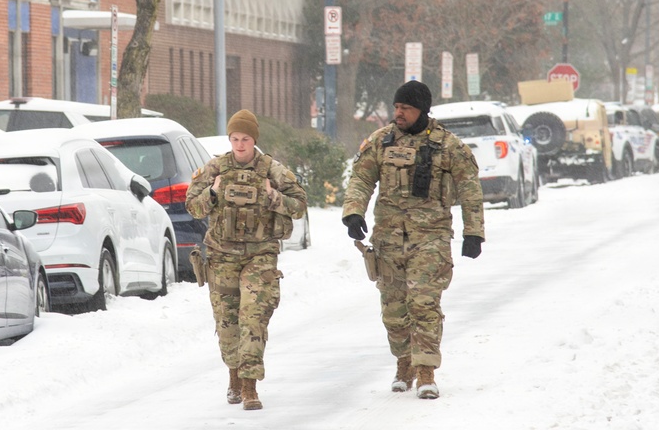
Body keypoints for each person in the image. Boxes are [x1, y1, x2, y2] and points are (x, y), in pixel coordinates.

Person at [342, 80, 484, 399]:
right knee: (394, 311)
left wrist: (473, 232)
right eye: (396, 107)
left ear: (422, 110)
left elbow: (470, 189)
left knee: (423, 303)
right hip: (388, 239)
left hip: (431, 238)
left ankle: (426, 372)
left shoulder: (448, 145)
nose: (399, 113)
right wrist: (353, 213)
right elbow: (361, 178)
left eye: (405, 108)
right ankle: (404, 362)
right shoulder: (381, 141)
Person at [185, 109, 308, 411]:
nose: (240, 145)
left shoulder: (272, 170)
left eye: (246, 139)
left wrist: (273, 196)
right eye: (235, 139)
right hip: (222, 255)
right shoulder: (214, 168)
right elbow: (192, 207)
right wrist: (212, 193)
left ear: (254, 140)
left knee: (253, 317)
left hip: (260, 255)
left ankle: (250, 386)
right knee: (227, 322)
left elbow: (299, 205)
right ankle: (234, 377)